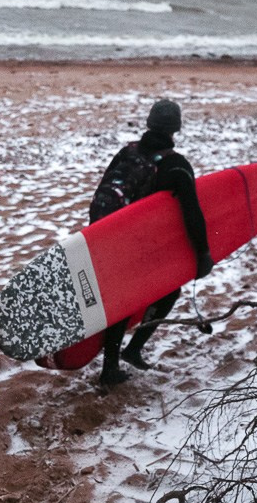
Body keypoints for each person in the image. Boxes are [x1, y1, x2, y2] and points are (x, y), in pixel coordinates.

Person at [91, 99, 213, 386]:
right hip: (137, 242)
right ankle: (128, 353)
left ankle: (115, 362)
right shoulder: (176, 165)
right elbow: (192, 212)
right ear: (177, 129)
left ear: (149, 123)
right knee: (167, 293)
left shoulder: (127, 152)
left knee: (122, 296)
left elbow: (104, 189)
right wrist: (203, 253)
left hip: (104, 232)